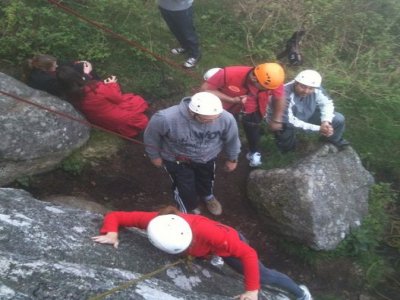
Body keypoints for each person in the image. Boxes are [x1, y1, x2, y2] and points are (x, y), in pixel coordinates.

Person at [91, 206, 313, 300]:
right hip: (204, 249)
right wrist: (111, 233)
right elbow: (116, 215)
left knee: (261, 275)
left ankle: (300, 293)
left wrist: (252, 290)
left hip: (226, 246)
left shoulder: (213, 236)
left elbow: (248, 254)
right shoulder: (155, 222)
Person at [143, 92, 240, 216]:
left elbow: (232, 139)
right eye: (206, 120)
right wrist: (154, 156)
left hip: (207, 157)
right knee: (185, 187)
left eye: (215, 118)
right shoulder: (165, 118)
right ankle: (190, 207)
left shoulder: (226, 118)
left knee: (207, 178)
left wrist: (233, 158)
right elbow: (151, 137)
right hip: (177, 159)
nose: (212, 122)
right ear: (193, 113)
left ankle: (208, 196)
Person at [200, 63, 286, 167]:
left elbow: (279, 97)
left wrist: (277, 119)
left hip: (254, 107)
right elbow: (205, 90)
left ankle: (254, 151)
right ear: (254, 78)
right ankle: (212, 150)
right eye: (264, 88)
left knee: (253, 130)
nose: (268, 90)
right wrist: (232, 100)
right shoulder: (228, 74)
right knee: (223, 129)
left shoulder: (272, 80)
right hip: (227, 107)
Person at [56, 65, 149, 138]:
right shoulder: (94, 88)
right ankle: (141, 130)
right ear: (77, 76)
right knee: (134, 100)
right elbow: (117, 98)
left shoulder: (69, 97)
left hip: (102, 122)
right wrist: (112, 83)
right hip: (120, 118)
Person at [274, 69, 349, 152]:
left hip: (307, 114)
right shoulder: (285, 93)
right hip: (287, 121)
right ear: (296, 83)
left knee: (338, 118)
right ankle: (287, 151)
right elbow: (289, 120)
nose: (306, 91)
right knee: (285, 136)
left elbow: (326, 103)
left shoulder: (316, 88)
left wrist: (326, 121)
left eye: (311, 89)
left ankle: (332, 140)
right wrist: (318, 128)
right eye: (303, 87)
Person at [24, 54, 98, 97]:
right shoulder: (48, 81)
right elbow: (69, 88)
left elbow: (61, 65)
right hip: (64, 94)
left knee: (81, 65)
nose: (56, 65)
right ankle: (97, 87)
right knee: (84, 72)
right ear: (45, 68)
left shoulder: (38, 68)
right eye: (54, 65)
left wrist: (75, 63)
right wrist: (86, 75)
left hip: (61, 85)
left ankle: (98, 83)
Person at [158, 0, 201, 68]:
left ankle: (194, 55)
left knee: (187, 32)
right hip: (164, 6)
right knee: (175, 30)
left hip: (182, 8)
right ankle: (185, 47)